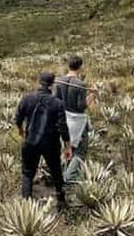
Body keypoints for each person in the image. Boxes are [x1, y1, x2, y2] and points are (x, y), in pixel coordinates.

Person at [15, 72, 72, 206]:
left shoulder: (27, 98)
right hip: (51, 144)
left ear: (39, 81)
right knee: (57, 172)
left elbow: (18, 117)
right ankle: (62, 202)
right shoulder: (57, 103)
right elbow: (62, 127)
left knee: (27, 173)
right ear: (52, 84)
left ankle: (26, 205)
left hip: (31, 141)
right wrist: (67, 146)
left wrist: (21, 129)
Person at [55, 55, 96, 184]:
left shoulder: (60, 81)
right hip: (77, 120)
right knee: (80, 150)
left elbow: (57, 100)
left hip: (64, 118)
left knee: (66, 146)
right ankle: (69, 177)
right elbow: (81, 106)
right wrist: (93, 95)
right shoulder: (81, 84)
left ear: (69, 66)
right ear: (80, 67)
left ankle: (59, 173)